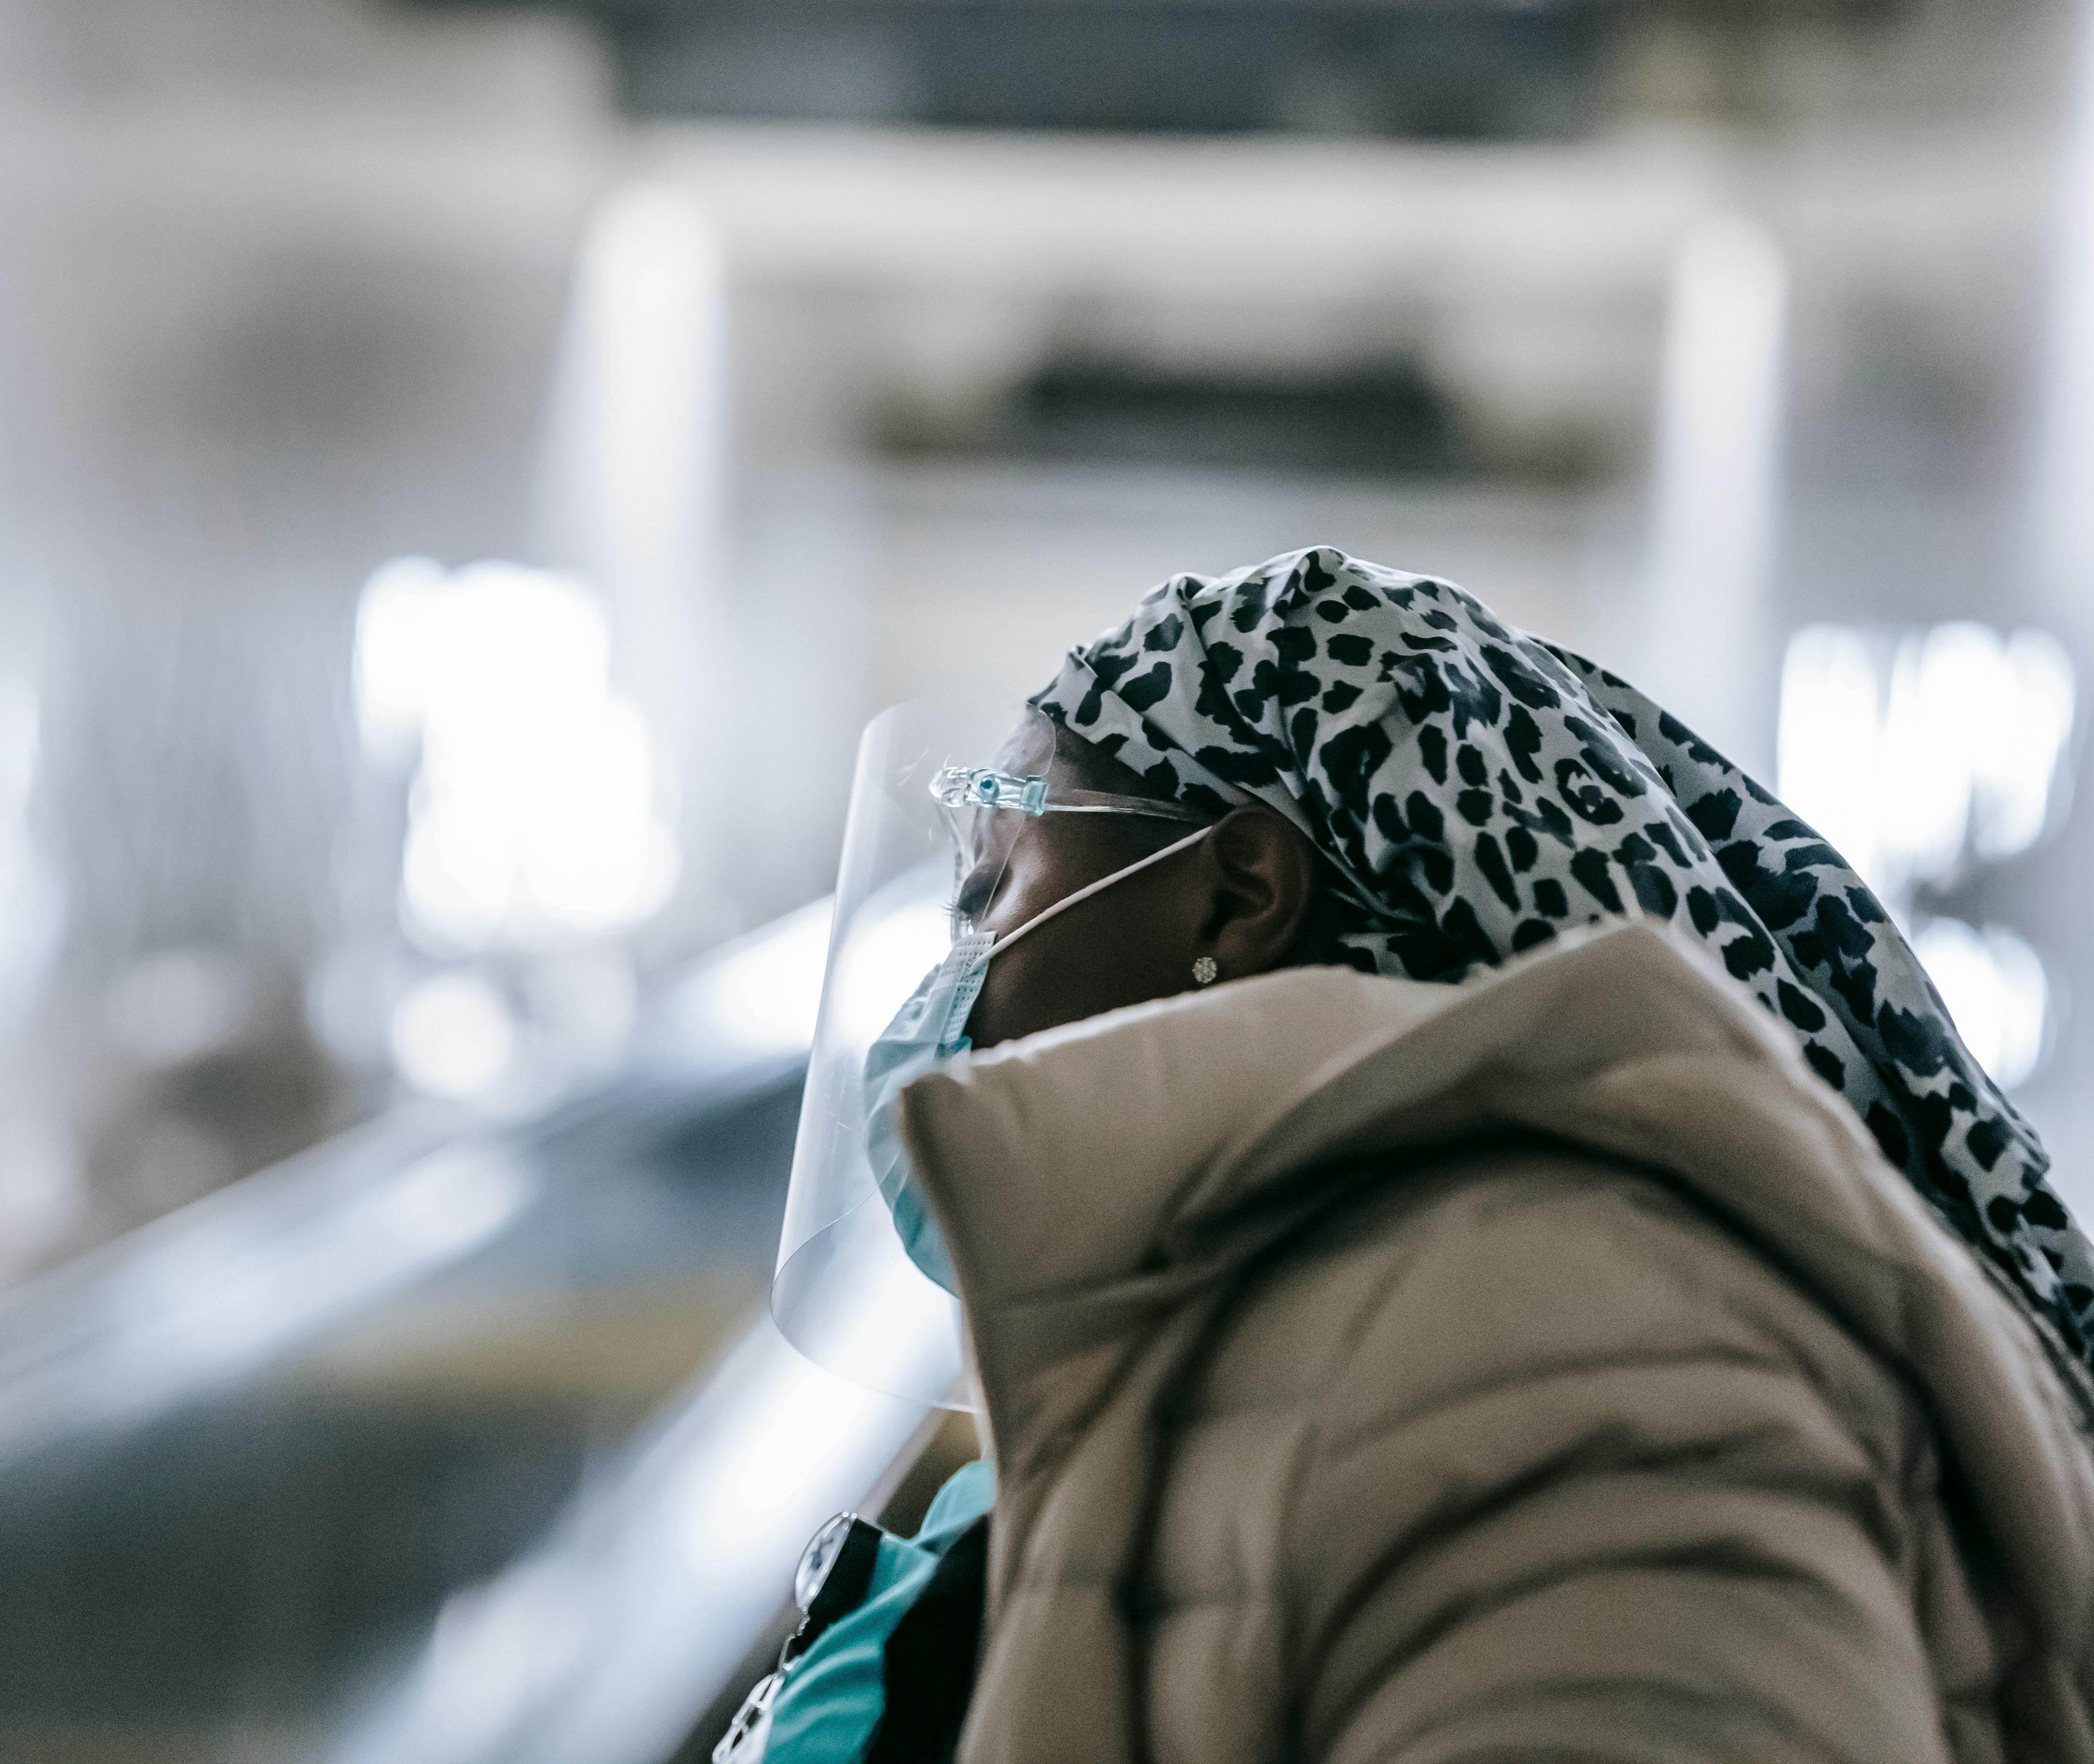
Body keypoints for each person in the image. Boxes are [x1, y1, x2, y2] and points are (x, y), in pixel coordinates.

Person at [737, 547, 2094, 1764]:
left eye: (992, 894)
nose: (946, 986)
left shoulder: (1592, 1358)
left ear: (1243, 888)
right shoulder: (1228, 1362)